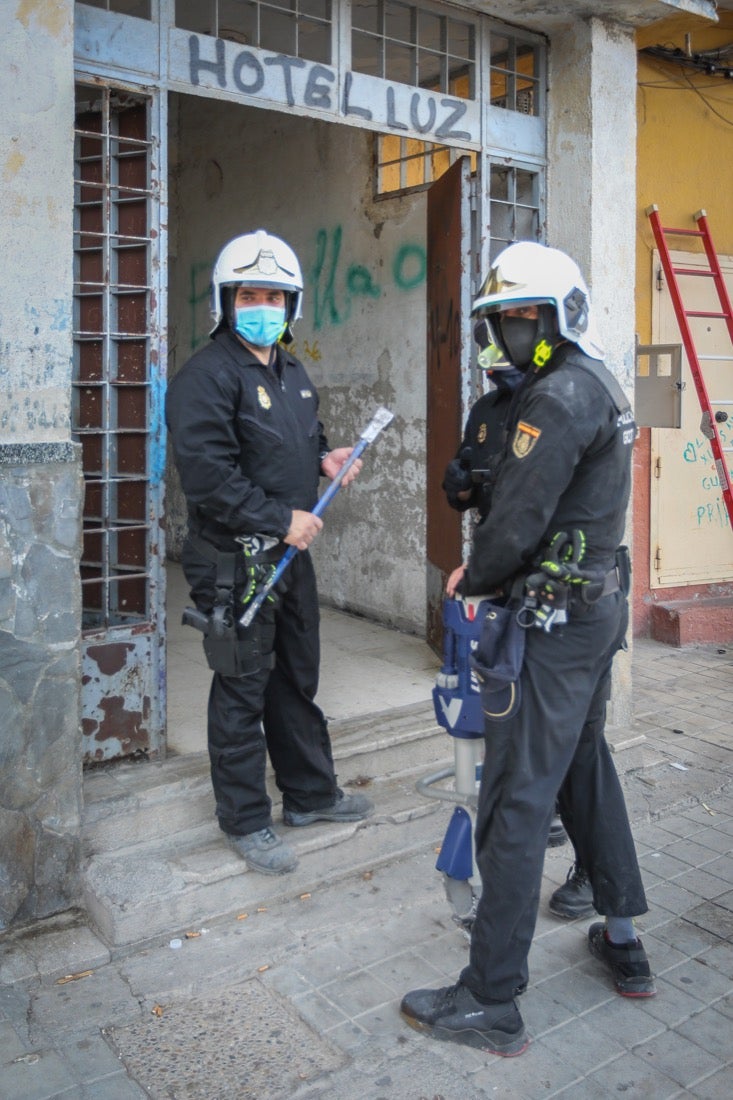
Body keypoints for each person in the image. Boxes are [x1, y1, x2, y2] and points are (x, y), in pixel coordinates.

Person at [401, 241, 654, 1058]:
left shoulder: (554, 398)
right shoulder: (596, 383)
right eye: (500, 320)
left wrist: (470, 578)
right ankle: (620, 937)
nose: (507, 333)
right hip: (593, 615)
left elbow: (514, 522)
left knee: (514, 800)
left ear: (556, 318)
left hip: (549, 628)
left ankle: (490, 997)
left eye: (520, 318)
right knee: (584, 767)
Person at [165, 229, 373, 876]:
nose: (263, 305)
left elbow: (294, 441)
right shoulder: (205, 377)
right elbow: (207, 476)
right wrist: (277, 518)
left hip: (287, 553)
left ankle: (310, 795)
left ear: (292, 304)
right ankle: (245, 819)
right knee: (241, 686)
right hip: (233, 561)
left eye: (275, 295)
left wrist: (326, 457)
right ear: (225, 302)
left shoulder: (288, 369)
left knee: (295, 675)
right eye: (250, 294)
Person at [442, 345, 583, 858]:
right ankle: (521, 808)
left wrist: (484, 572)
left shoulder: (553, 404)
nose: (495, 369)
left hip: (535, 576)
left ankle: (548, 813)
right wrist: (456, 488)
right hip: (496, 569)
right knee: (504, 701)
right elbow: (465, 494)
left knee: (546, 712)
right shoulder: (485, 412)